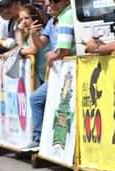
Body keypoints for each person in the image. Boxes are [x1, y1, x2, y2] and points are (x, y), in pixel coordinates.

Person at [20, 0, 75, 152]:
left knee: (38, 100)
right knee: (37, 99)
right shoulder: (52, 22)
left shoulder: (68, 15)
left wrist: (54, 55)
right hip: (59, 74)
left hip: (69, 73)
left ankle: (41, 139)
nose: (49, 7)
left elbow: (64, 50)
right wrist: (33, 34)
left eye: (53, 2)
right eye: (48, 3)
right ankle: (40, 139)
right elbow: (40, 45)